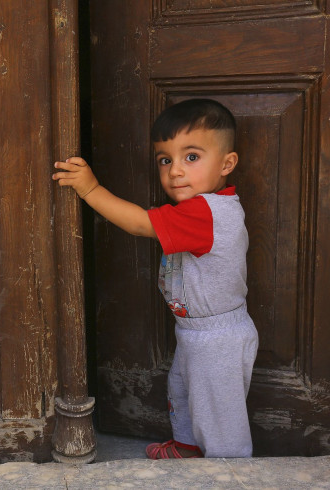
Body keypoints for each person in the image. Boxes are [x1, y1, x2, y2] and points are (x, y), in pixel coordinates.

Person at [53, 98, 258, 459]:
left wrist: (90, 189)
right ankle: (186, 449)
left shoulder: (204, 212)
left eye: (191, 157)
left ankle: (231, 473)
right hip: (196, 330)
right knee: (181, 390)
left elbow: (138, 223)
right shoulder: (201, 208)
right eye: (166, 160)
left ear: (227, 163)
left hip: (217, 337)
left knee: (219, 417)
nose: (175, 171)